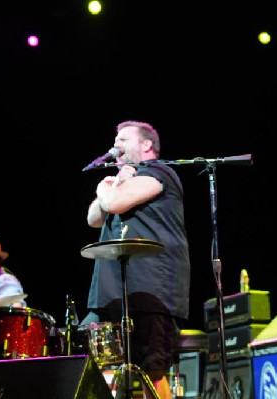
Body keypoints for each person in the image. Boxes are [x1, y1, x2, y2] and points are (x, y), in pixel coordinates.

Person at [82, 120, 191, 399]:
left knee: (151, 369)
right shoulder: (123, 179)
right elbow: (94, 219)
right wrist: (115, 180)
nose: (116, 145)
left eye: (123, 139)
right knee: (97, 362)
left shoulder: (157, 172)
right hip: (111, 289)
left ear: (145, 145)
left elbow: (114, 204)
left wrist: (111, 186)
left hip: (150, 287)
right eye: (115, 139)